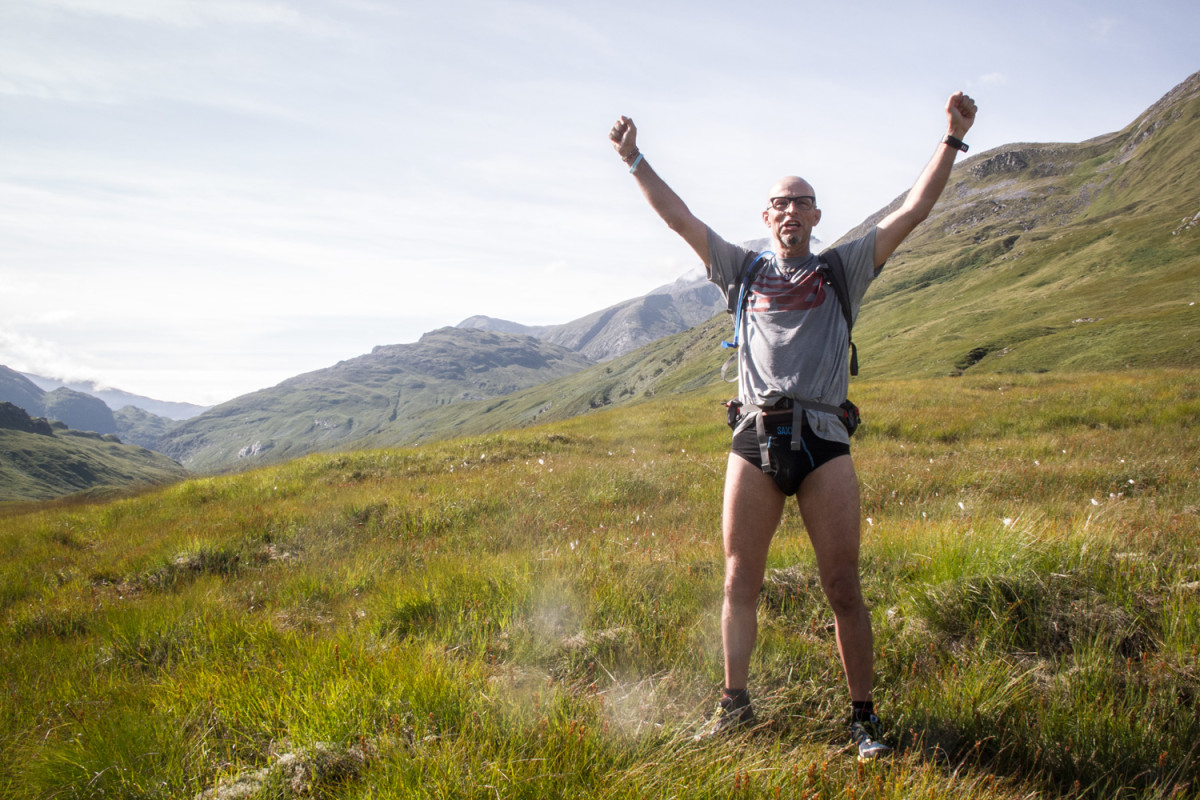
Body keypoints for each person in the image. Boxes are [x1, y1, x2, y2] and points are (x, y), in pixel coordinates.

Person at [609, 92, 977, 759]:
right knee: (737, 581)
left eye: (801, 202)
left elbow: (914, 210)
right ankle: (735, 706)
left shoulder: (842, 269)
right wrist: (635, 159)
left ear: (815, 216)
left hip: (824, 442)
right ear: (766, 216)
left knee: (843, 586)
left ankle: (863, 719)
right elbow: (680, 218)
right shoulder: (741, 271)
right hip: (753, 439)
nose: (790, 211)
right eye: (780, 203)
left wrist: (951, 138)